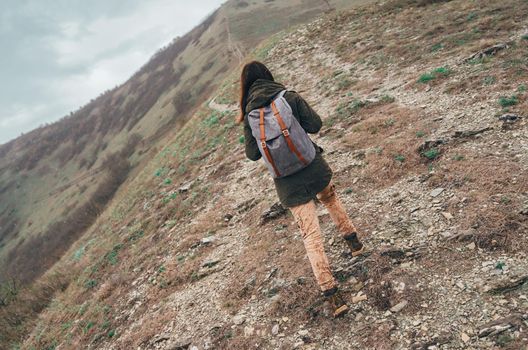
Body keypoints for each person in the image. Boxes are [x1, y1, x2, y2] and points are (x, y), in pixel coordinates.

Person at [237, 61, 366, 317]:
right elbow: (315, 125)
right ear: (268, 76)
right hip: (312, 165)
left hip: (287, 181)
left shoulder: (250, 114)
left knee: (310, 234)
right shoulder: (288, 97)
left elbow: (252, 154)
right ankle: (355, 244)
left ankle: (332, 294)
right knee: (330, 200)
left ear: (245, 86)